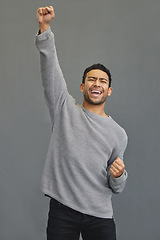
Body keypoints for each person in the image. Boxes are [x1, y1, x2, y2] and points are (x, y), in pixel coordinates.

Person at [36, 6, 128, 240]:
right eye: (91, 79)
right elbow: (51, 71)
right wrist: (45, 29)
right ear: (82, 86)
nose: (96, 83)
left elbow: (116, 186)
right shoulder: (64, 108)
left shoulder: (119, 134)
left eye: (102, 81)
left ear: (109, 91)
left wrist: (118, 176)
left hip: (100, 215)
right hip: (63, 210)